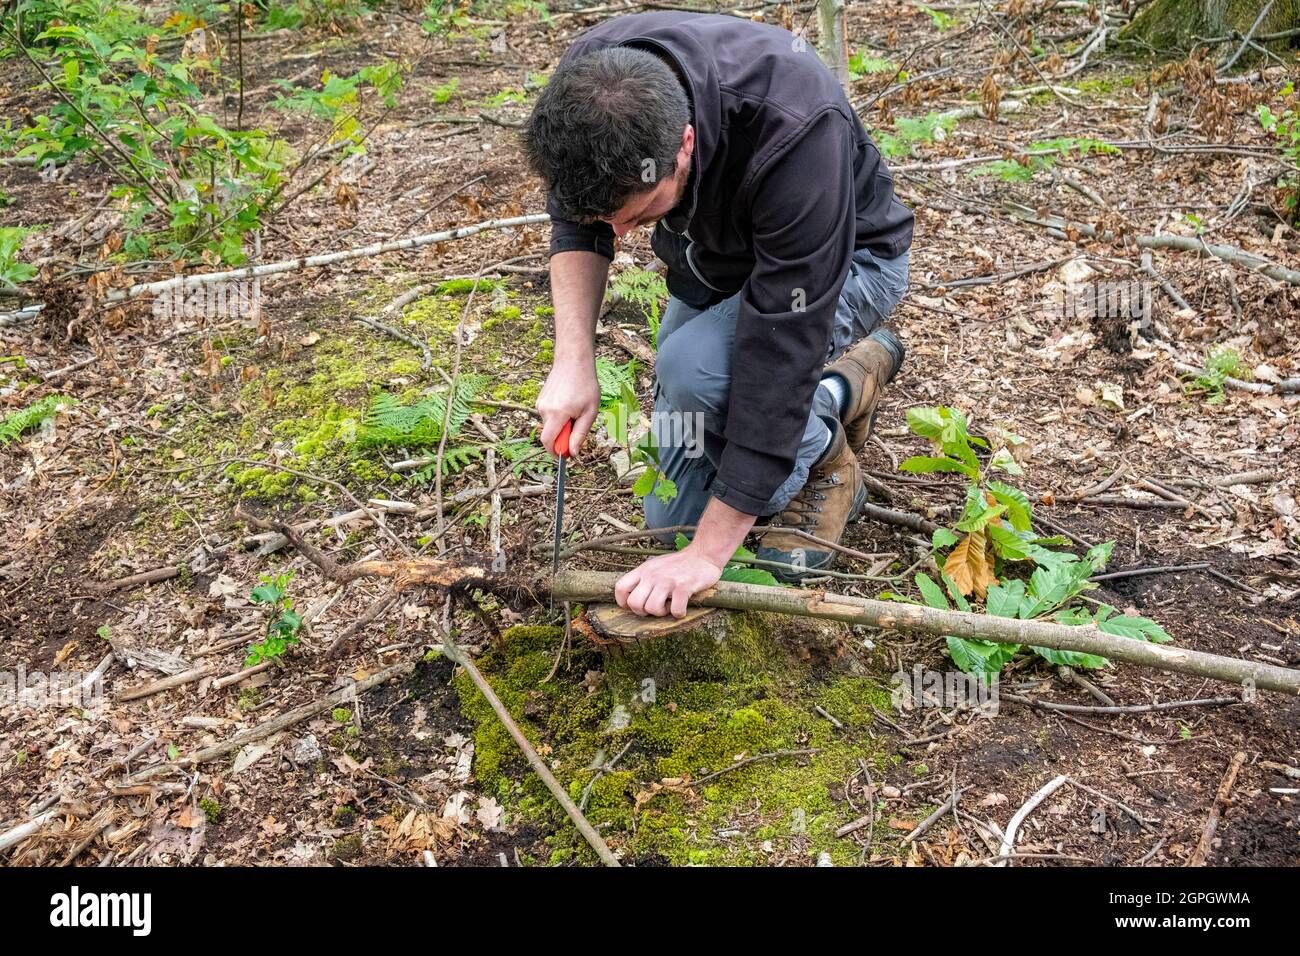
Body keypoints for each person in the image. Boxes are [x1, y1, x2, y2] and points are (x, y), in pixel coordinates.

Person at [525, 11, 913, 619]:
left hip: (847, 262)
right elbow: (577, 221)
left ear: (683, 141)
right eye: (610, 220)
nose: (622, 233)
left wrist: (705, 558)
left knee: (696, 370)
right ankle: (843, 388)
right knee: (669, 521)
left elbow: (780, 347)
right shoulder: (591, 96)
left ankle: (827, 466)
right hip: (712, 258)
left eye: (637, 211)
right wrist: (573, 363)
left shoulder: (795, 126)